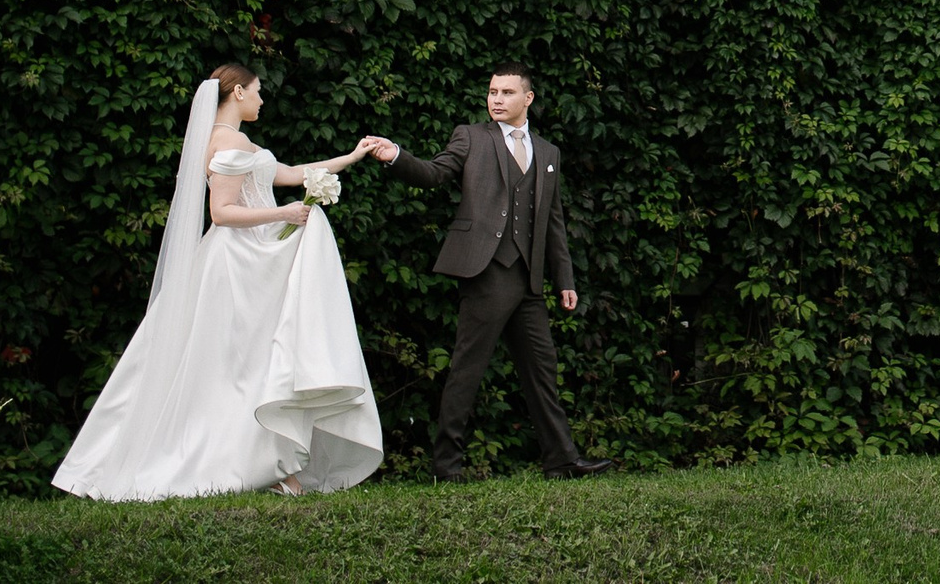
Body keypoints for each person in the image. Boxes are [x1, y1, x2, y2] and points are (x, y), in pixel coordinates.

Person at [53, 63, 388, 500]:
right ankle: (251, 463)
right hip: (236, 263)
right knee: (236, 365)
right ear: (239, 93)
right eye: (258, 91)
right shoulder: (226, 141)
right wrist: (284, 214)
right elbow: (222, 213)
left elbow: (288, 172)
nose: (263, 99)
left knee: (257, 362)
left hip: (256, 259)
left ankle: (274, 464)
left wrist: (351, 156)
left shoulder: (239, 140)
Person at [367, 65, 612, 481]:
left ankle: (561, 460)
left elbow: (553, 222)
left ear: (527, 99)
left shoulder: (548, 152)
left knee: (541, 370)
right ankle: (446, 467)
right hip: (486, 271)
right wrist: (397, 156)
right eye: (492, 92)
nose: (496, 99)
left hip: (530, 280)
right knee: (468, 369)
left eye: (507, 92)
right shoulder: (471, 136)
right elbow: (434, 173)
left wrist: (564, 280)